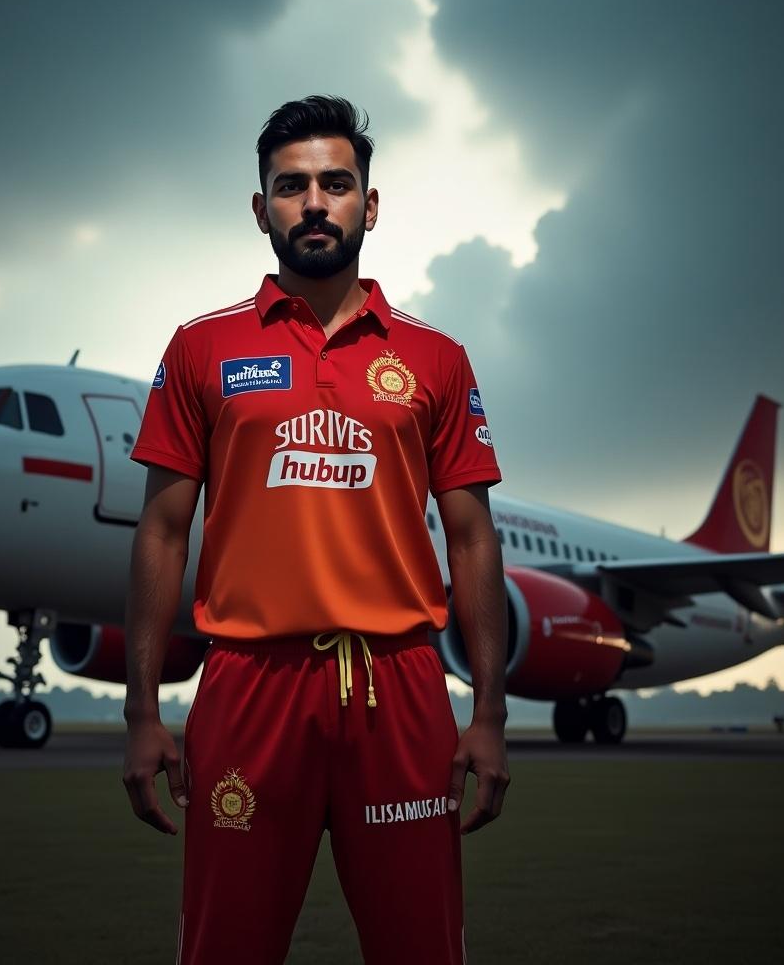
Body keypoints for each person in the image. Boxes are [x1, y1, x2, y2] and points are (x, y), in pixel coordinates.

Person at [122, 94, 510, 965]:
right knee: (225, 948)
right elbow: (161, 532)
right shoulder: (201, 349)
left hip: (400, 686)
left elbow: (473, 540)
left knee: (423, 950)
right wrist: (141, 711)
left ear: (369, 205)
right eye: (290, 186)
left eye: (337, 183)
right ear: (262, 210)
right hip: (249, 687)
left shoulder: (436, 358)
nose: (315, 202)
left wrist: (488, 712)